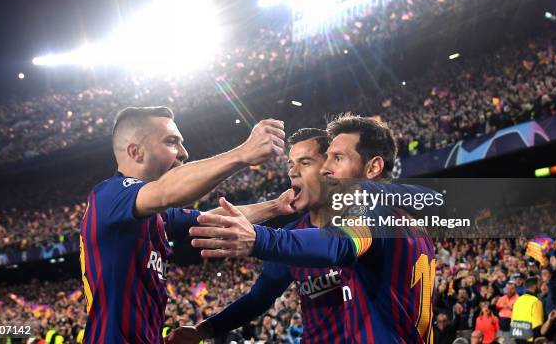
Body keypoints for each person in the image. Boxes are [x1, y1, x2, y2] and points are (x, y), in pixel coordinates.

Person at [184, 114, 439, 342]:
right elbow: (258, 298)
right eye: (290, 165)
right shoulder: (301, 233)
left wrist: (259, 239)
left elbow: (337, 244)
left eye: (306, 162)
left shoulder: (375, 212)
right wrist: (204, 330)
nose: (293, 172)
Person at [80, 106, 293, 343]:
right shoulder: (109, 194)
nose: (184, 152)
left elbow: (212, 218)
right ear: (136, 152)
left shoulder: (157, 215)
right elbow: (167, 191)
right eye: (172, 142)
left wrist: (276, 206)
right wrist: (242, 153)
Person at [510, 276, 545, 343]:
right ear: (535, 286)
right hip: (530, 339)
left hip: (517, 337)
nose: (540, 286)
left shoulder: (518, 300)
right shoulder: (536, 301)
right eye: (539, 284)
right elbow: (537, 325)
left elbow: (513, 320)